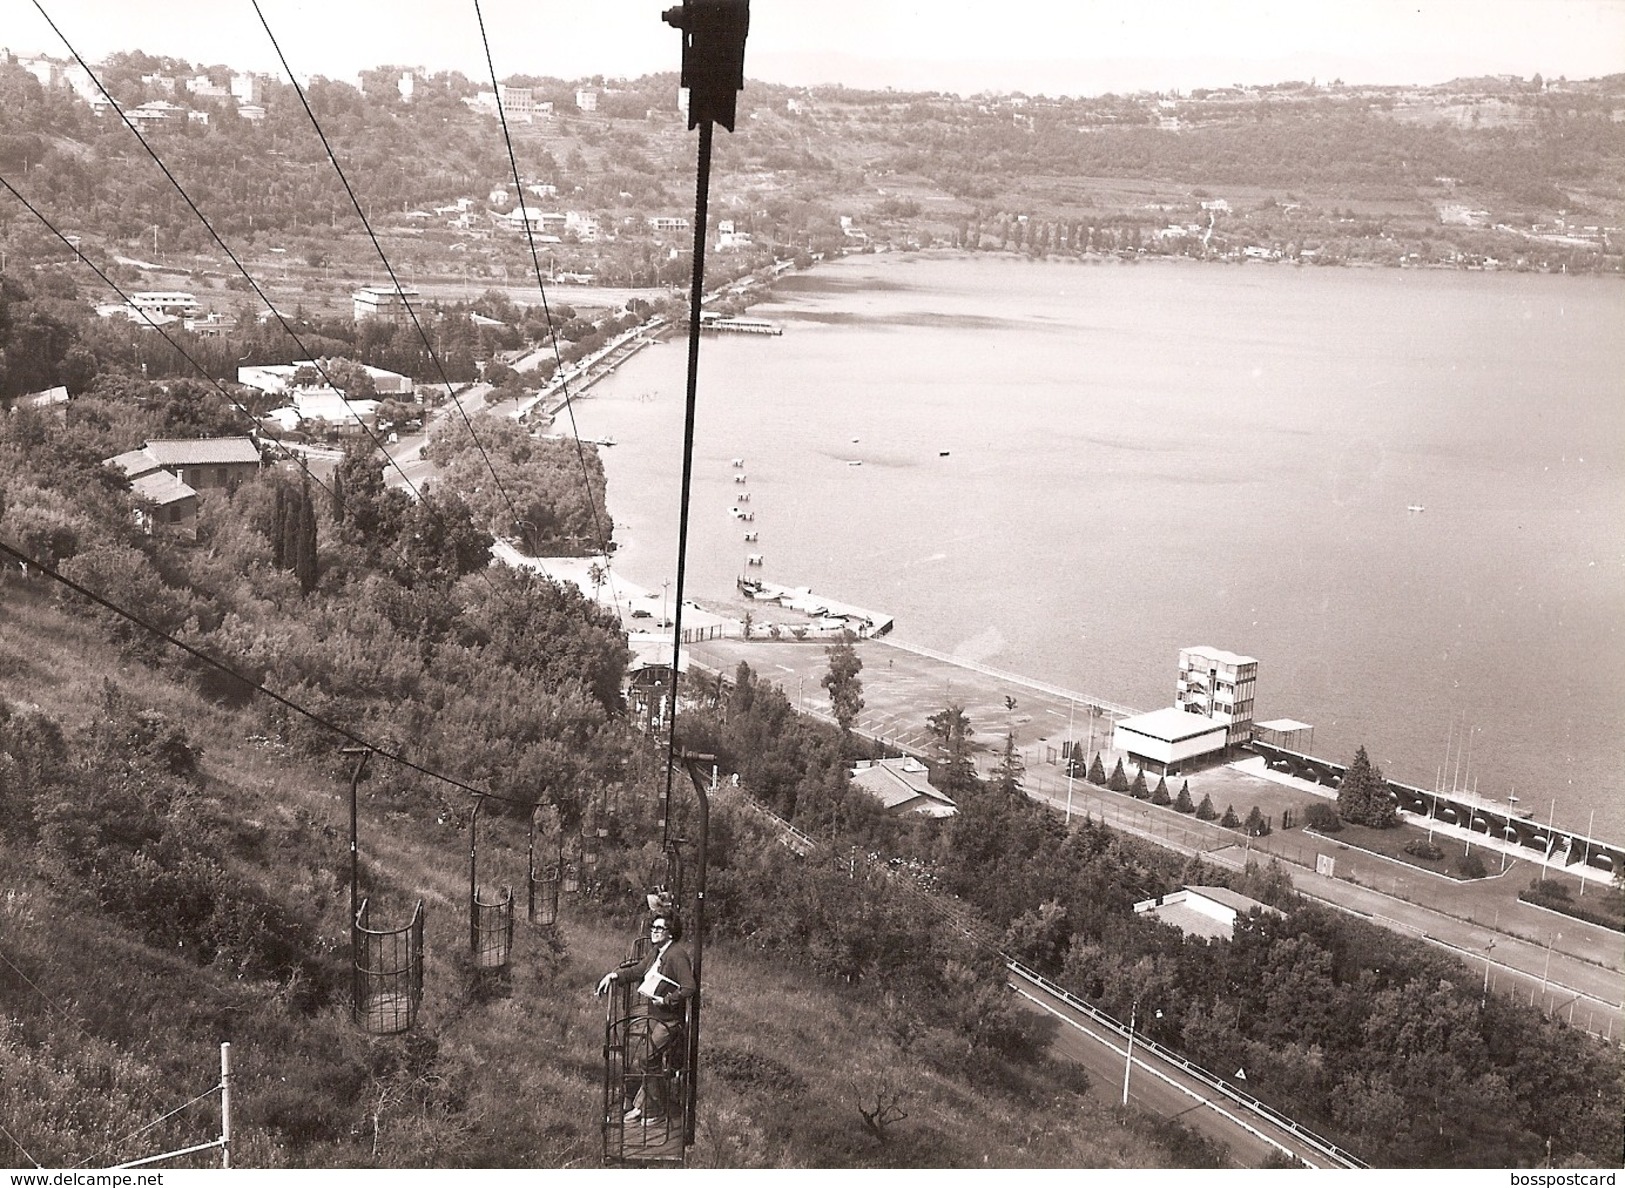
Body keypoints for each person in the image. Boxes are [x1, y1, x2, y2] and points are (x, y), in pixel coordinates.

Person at [595, 913, 696, 1127]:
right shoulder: (657, 952)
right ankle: (643, 1105)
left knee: (647, 1059)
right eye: (653, 927)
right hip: (655, 1018)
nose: (654, 931)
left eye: (660, 928)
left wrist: (668, 1000)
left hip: (669, 1021)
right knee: (647, 1061)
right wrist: (614, 976)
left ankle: (656, 1110)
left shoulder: (676, 955)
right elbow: (639, 970)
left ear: (670, 933)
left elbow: (689, 987)